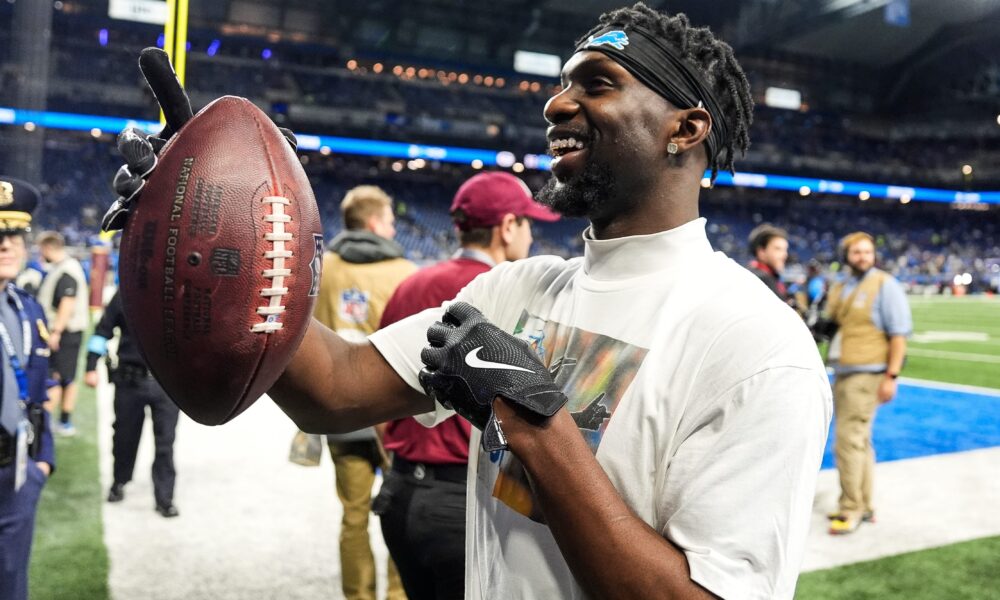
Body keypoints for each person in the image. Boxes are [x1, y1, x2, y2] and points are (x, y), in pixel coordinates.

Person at [112, 5, 832, 597]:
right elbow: (332, 391)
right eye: (561, 84)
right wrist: (219, 228)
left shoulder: (756, 346)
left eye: (599, 83)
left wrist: (536, 424)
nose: (556, 103)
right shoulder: (514, 288)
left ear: (687, 128)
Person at [376, 172, 559, 600]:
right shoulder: (504, 296)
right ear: (507, 226)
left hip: (401, 489)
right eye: (527, 223)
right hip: (459, 499)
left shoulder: (412, 281)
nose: (531, 236)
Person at [313, 185, 414, 600]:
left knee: (352, 516)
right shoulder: (405, 273)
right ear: (375, 223)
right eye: (390, 221)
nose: (393, 229)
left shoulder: (324, 269)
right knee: (400, 512)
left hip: (341, 409)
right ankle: (396, 594)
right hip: (393, 412)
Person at [824, 231, 911, 535]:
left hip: (867, 373)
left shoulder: (885, 285)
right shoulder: (844, 285)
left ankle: (851, 508)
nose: (863, 257)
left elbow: (899, 334)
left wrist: (892, 376)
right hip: (845, 369)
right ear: (845, 255)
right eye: (857, 252)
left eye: (867, 252)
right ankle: (864, 503)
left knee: (847, 441)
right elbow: (831, 322)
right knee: (859, 442)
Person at [0, 177, 55, 600]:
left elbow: (37, 393)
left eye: (15, 234)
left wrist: (44, 461)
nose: (8, 245)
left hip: (19, 472)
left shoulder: (27, 307)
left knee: (13, 582)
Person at [83, 290, 180, 517]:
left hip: (167, 384)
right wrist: (90, 367)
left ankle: (165, 498)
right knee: (124, 436)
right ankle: (119, 481)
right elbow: (102, 331)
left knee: (166, 443)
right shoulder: (126, 294)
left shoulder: (178, 293)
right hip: (129, 381)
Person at [35, 231, 88, 436]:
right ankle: (63, 421)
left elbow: (67, 302)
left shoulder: (66, 270)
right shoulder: (64, 267)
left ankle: (49, 424)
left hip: (65, 333)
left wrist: (55, 332)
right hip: (68, 332)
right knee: (65, 377)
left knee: (56, 377)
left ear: (48, 247)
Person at [747, 223, 792, 304]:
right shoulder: (761, 279)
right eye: (778, 249)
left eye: (785, 250)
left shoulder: (769, 276)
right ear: (761, 252)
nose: (785, 255)